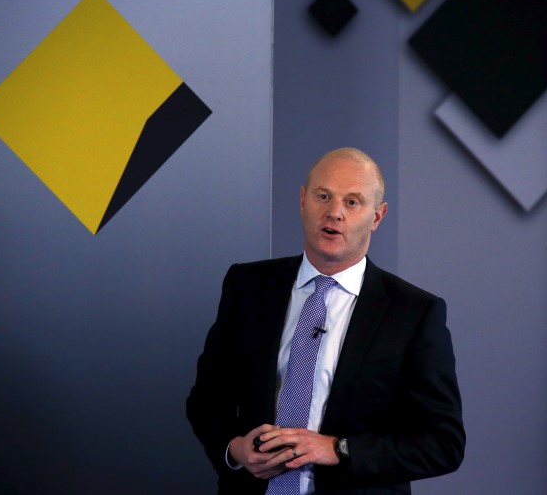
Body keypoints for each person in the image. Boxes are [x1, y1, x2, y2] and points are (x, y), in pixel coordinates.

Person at [187, 148, 464, 494]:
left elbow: (443, 443)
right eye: (323, 196)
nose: (334, 213)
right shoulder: (247, 286)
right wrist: (235, 448)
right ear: (303, 200)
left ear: (377, 217)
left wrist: (338, 448)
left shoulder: (414, 312)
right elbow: (207, 399)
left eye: (352, 202)